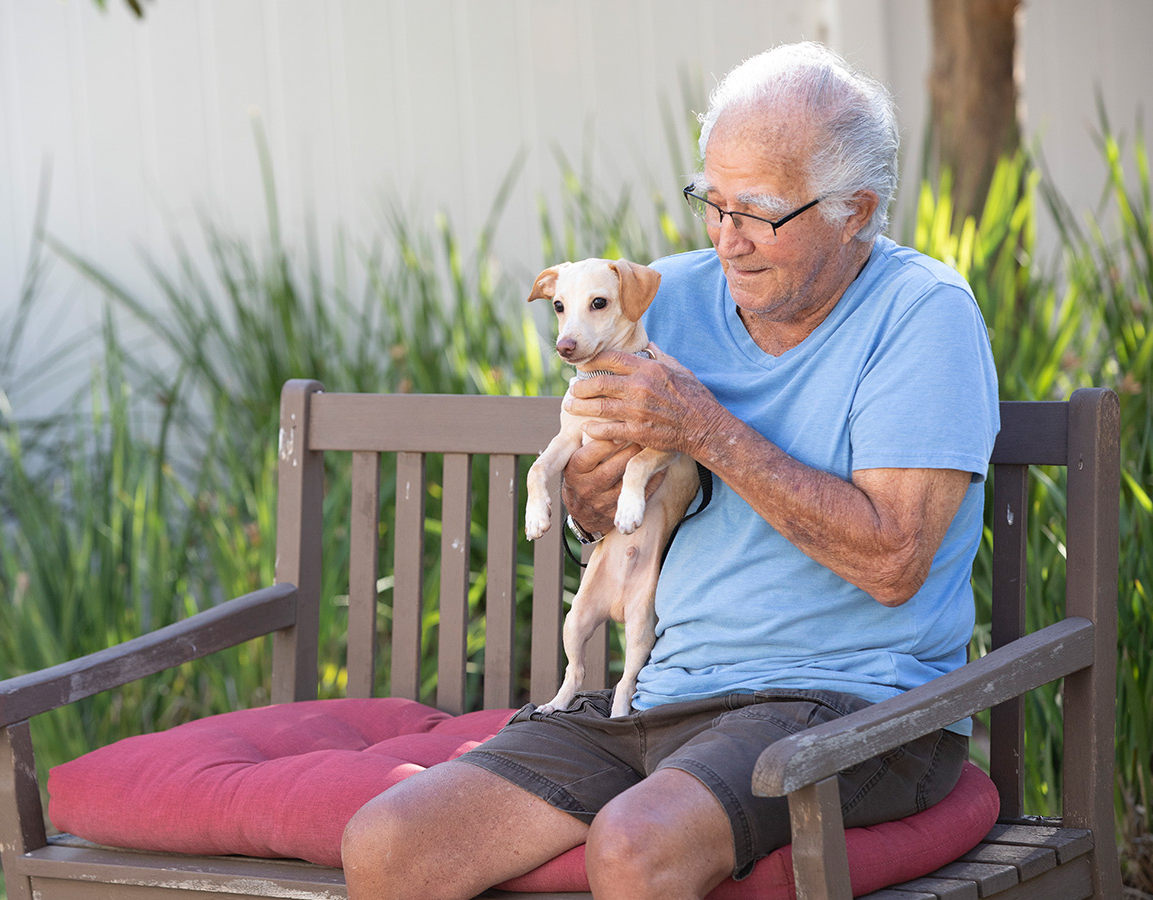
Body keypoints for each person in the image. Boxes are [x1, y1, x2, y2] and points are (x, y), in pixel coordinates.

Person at [341, 41, 1000, 900]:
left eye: (758, 213)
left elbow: (893, 560)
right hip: (653, 688)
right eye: (710, 202)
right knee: (389, 844)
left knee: (635, 846)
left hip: (847, 707)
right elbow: (592, 507)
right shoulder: (662, 296)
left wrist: (706, 428)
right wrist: (588, 487)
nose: (726, 239)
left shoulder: (923, 319)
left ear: (856, 211)